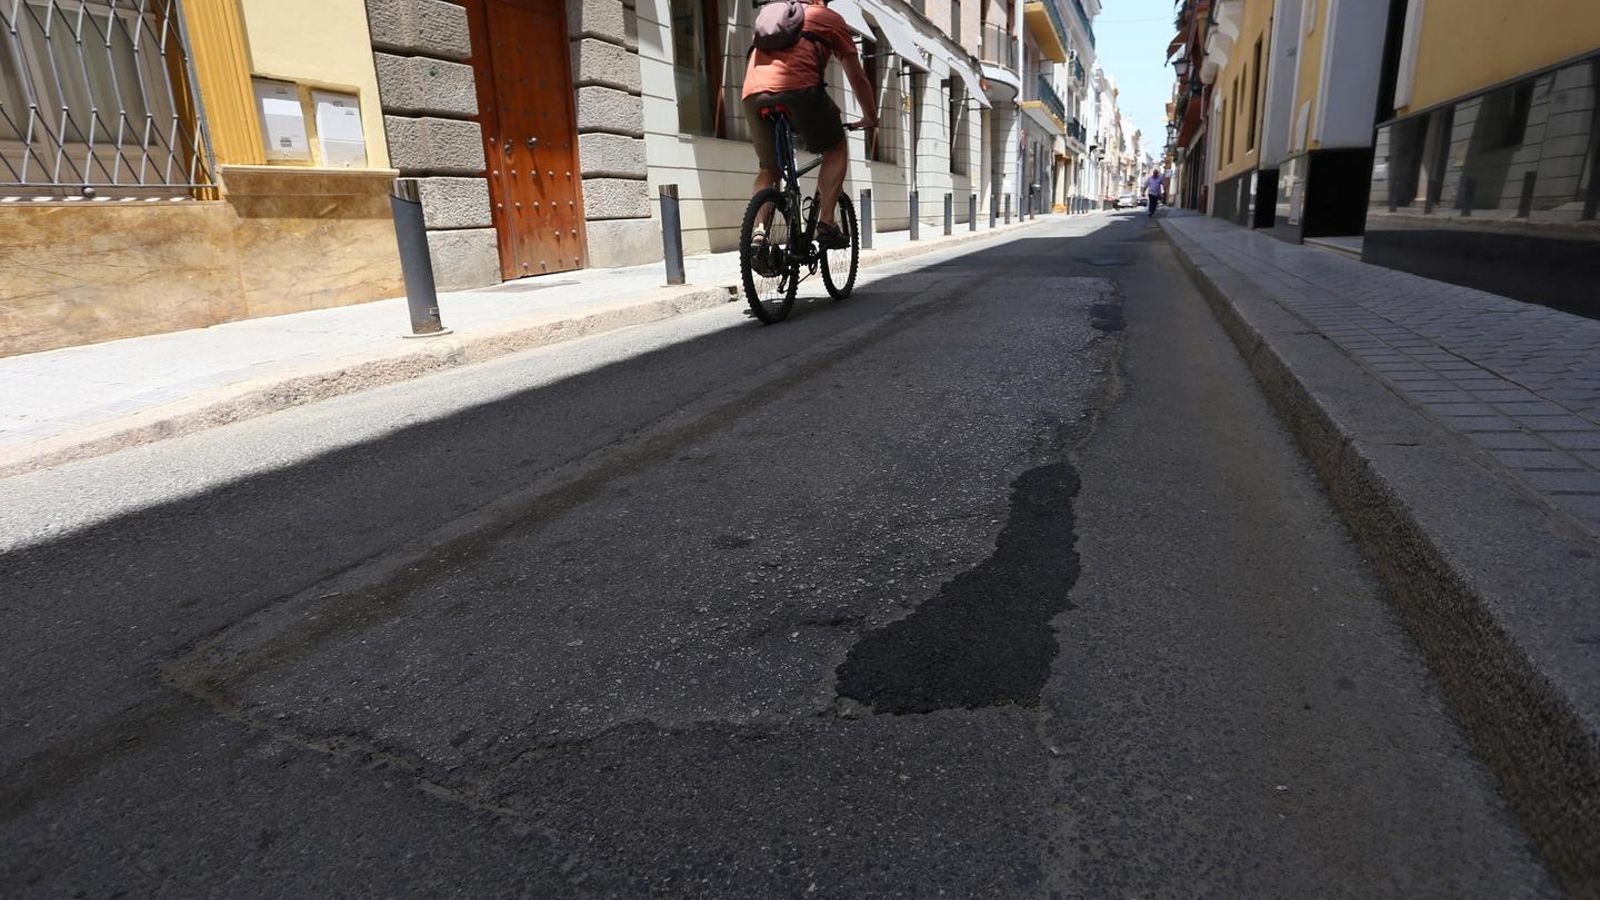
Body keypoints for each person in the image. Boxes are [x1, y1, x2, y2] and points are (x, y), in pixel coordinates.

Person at [742, 0, 877, 250]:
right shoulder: (828, 18)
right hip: (800, 91)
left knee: (769, 169)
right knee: (835, 147)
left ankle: (758, 233)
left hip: (753, 94)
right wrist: (870, 116)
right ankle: (826, 222)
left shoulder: (770, 15)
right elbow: (857, 76)